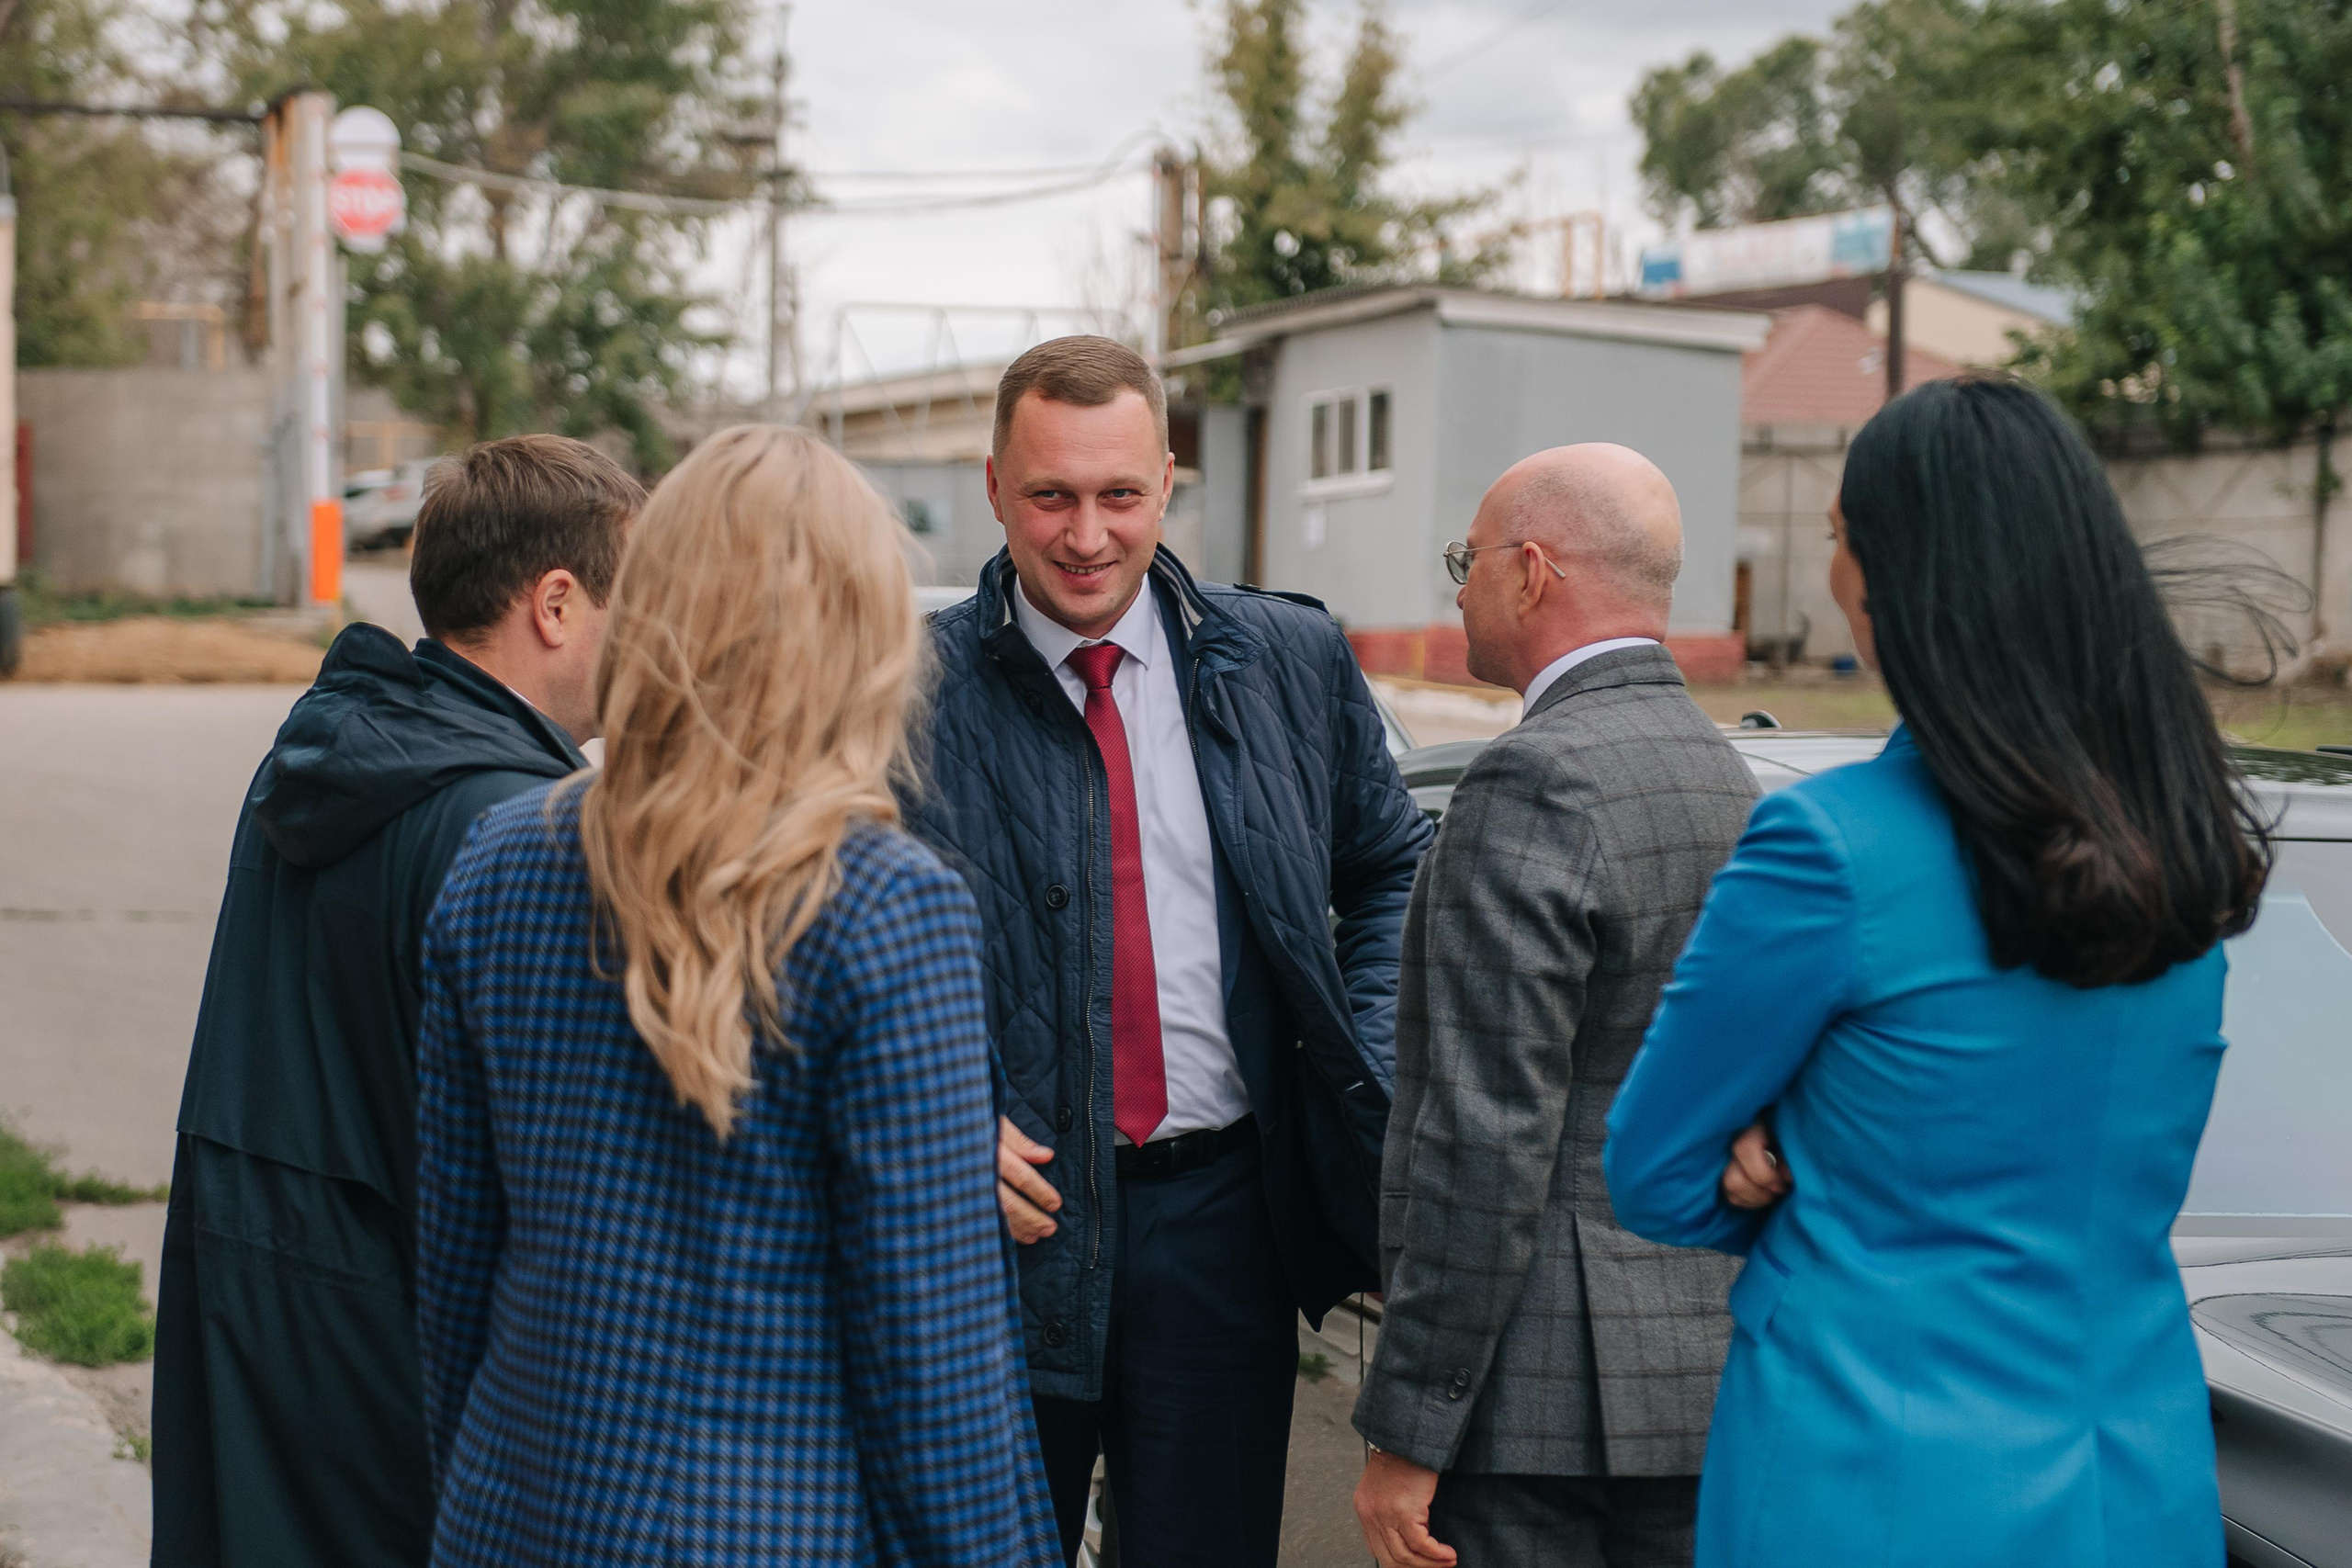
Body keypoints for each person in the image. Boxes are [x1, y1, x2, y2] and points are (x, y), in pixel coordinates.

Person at [1604, 376, 2273, 1567]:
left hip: (1870, 1472)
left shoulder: (1833, 845)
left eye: (1836, 538)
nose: (1832, 573)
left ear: (1895, 574)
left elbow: (1653, 1170)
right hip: (2138, 1473)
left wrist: (1791, 1154)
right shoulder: (2181, 833)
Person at [414, 424, 1057, 1568]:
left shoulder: (501, 857)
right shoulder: (883, 907)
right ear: (860, 636)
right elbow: (936, 1366)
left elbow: (456, 1271)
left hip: (514, 1513)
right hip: (766, 1530)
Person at [904, 335, 1432, 1566]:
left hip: (1223, 1224)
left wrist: (1350, 1046)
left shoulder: (1289, 661)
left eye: (1119, 495)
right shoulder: (895, 692)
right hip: (997, 1236)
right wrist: (931, 1114)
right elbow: (812, 942)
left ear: (1167, 481)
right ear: (994, 488)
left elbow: (1392, 863)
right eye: (1051, 495)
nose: (1086, 533)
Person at [152, 434, 641, 1568]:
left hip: (256, 1308)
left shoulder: (335, 753)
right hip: (404, 1361)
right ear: (556, 604)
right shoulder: (514, 825)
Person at [1351, 446, 1759, 1568]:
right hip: (1711, 1387)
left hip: (1538, 1412)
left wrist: (1410, 1427)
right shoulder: (1727, 775)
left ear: (1531, 571)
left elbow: (1486, 1136)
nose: (1457, 587)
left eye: (1464, 561)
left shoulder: (1528, 782)